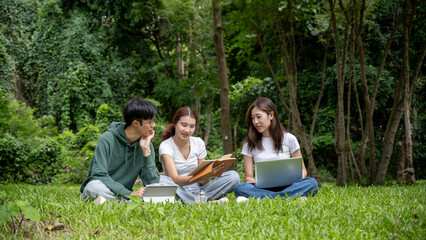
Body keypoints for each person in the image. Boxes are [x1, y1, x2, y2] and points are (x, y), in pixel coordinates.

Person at [80, 98, 172, 203]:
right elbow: (98, 175)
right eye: (150, 122)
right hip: (106, 189)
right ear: (136, 123)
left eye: (153, 121)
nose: (153, 125)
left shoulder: (146, 144)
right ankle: (128, 202)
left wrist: (146, 151)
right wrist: (129, 194)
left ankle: (111, 202)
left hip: (123, 194)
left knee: (164, 183)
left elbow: (151, 182)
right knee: (93, 186)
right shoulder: (107, 139)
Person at [234, 97, 318, 202]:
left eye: (259, 117)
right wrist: (255, 183)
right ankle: (286, 198)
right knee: (240, 188)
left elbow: (302, 170)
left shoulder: (289, 139)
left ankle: (267, 198)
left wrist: (294, 180)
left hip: (289, 186)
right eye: (252, 118)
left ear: (271, 115)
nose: (255, 122)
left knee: (311, 183)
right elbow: (249, 178)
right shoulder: (249, 144)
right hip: (262, 188)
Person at [159, 107, 240, 204]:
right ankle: (201, 201)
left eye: (192, 126)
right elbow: (174, 179)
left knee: (233, 176)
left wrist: (209, 173)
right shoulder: (166, 146)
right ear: (175, 123)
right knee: (161, 179)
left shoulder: (198, 143)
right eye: (183, 125)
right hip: (177, 190)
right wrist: (198, 178)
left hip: (199, 190)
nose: (187, 130)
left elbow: (203, 182)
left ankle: (194, 201)